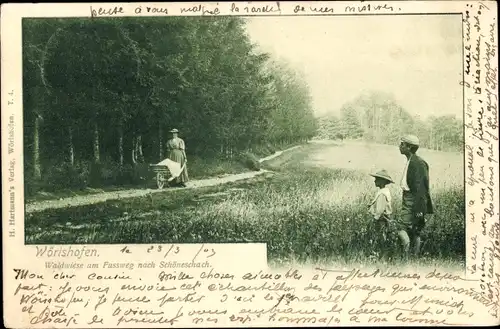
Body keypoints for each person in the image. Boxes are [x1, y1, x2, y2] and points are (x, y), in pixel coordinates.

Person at [397, 134, 433, 260]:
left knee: (402, 228)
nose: (400, 146)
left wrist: (419, 212)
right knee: (414, 231)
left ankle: (406, 258)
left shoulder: (418, 163)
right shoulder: (412, 161)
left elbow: (421, 190)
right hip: (409, 199)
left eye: (402, 144)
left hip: (413, 201)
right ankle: (414, 258)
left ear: (409, 147)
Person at [368, 169, 394, 259]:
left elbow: (380, 210)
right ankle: (381, 256)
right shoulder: (384, 192)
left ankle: (381, 257)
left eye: (377, 179)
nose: (375, 181)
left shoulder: (382, 194)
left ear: (382, 181)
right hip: (383, 219)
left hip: (381, 220)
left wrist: (375, 219)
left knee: (380, 238)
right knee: (382, 238)